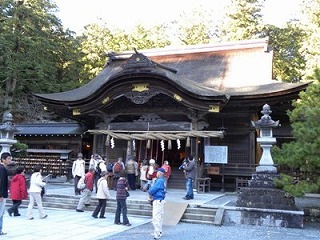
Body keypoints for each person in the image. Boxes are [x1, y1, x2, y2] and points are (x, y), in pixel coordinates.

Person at [148, 167, 166, 240]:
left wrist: (149, 193)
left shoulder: (159, 181)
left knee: (156, 217)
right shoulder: (162, 180)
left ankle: (157, 233)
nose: (156, 173)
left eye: (157, 172)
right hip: (161, 200)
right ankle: (159, 231)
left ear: (160, 173)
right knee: (160, 217)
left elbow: (153, 189)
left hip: (157, 200)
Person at [0, 152, 12, 235]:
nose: (10, 160)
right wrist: (0, 195)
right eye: (8, 159)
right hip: (1, 194)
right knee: (0, 212)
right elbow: (1, 182)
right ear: (3, 159)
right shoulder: (2, 168)